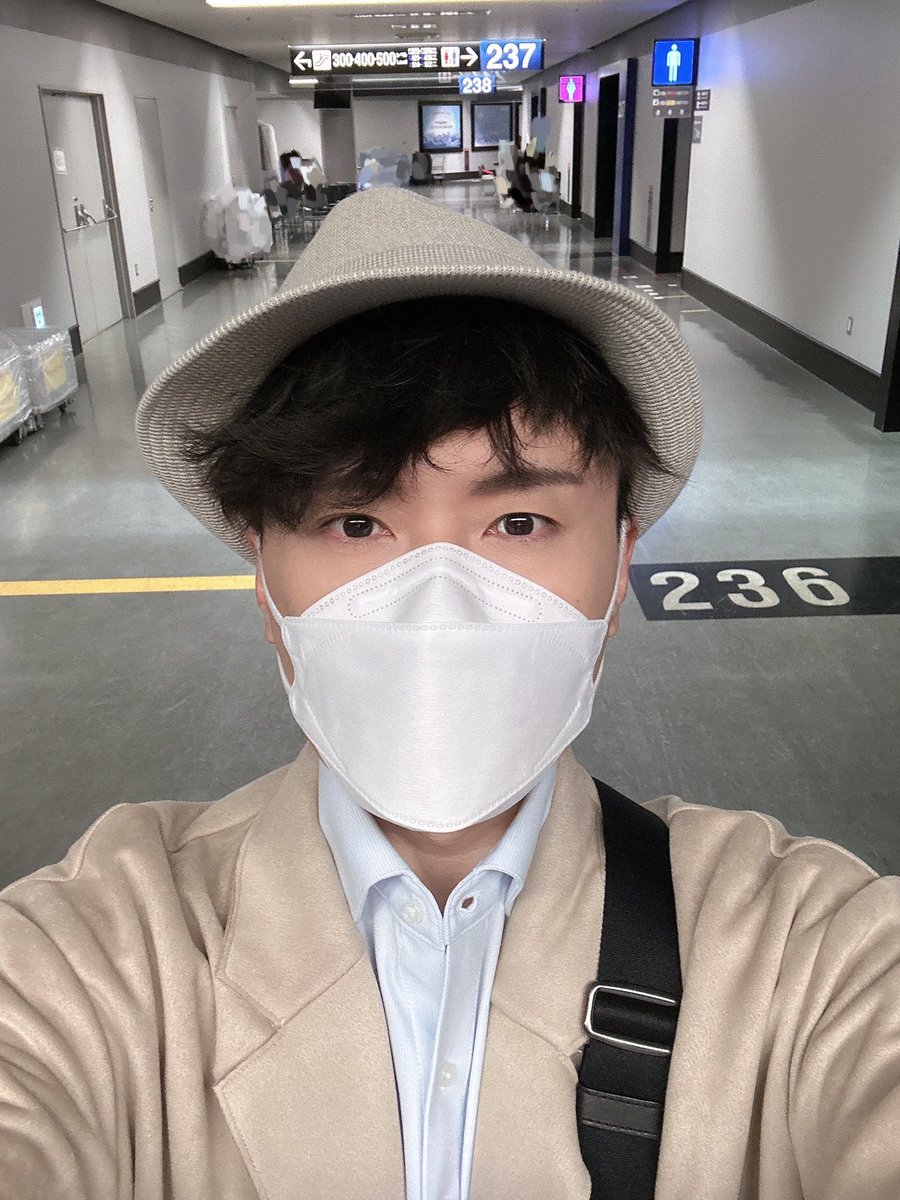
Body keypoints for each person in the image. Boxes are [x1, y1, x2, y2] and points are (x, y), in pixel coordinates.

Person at [0, 190, 898, 1200]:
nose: (438, 607)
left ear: (619, 569)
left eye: (518, 523)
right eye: (354, 523)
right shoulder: (102, 954)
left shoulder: (797, 951)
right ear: (263, 578)